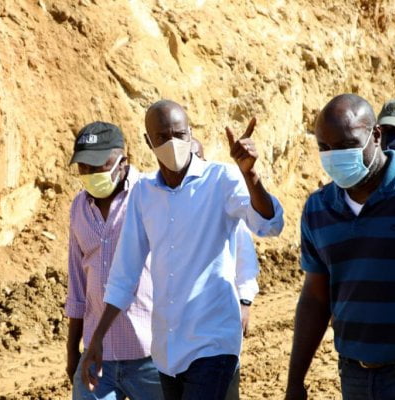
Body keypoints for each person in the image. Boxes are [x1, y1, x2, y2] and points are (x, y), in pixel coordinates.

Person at [81, 100, 284, 400]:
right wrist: (97, 338)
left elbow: (270, 225)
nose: (173, 143)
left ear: (190, 133)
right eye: (163, 137)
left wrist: (250, 176)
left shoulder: (222, 179)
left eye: (179, 134)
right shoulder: (143, 193)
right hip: (167, 347)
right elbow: (125, 273)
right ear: (149, 141)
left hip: (213, 341)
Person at [285, 94, 395, 400]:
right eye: (325, 147)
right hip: (356, 378)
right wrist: (295, 381)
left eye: (347, 144)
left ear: (375, 135)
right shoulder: (318, 210)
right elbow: (314, 297)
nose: (335, 155)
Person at [65, 121, 163, 400]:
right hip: (98, 358)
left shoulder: (149, 195)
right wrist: (73, 351)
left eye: (99, 166)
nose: (90, 174)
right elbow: (77, 283)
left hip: (151, 357)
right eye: (84, 167)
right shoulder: (79, 208)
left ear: (123, 161)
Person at [191, 137, 260, 400]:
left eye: (197, 158)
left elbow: (245, 260)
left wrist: (244, 301)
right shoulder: (163, 207)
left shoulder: (225, 204)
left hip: (219, 327)